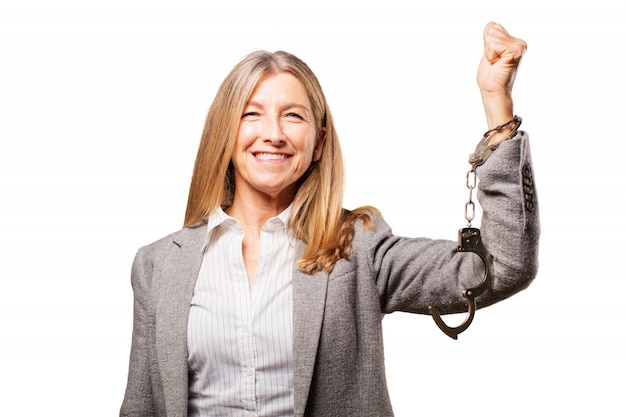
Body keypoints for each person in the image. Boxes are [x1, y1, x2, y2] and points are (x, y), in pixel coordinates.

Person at [120, 22, 539, 417]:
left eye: (293, 116)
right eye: (252, 114)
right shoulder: (158, 266)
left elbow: (501, 267)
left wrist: (496, 108)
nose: (274, 133)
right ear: (225, 134)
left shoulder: (359, 248)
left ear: (318, 143)